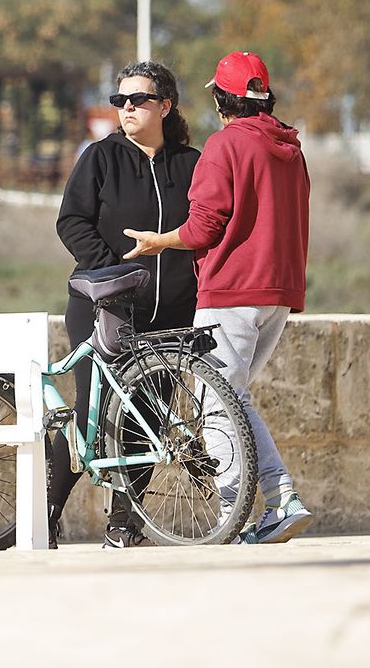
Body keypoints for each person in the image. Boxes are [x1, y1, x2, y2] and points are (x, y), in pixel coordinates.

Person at [124, 50, 313, 544]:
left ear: (221, 97)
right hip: (279, 292)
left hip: (232, 289)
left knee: (217, 402)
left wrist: (159, 241)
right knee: (232, 399)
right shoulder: (290, 148)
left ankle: (267, 500)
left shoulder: (225, 145)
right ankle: (266, 502)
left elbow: (205, 227)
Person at [52, 60, 200, 548]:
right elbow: (72, 222)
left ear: (165, 105)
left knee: (149, 417)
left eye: (138, 100)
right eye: (121, 101)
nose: (127, 108)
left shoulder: (191, 163)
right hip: (104, 305)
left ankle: (123, 522)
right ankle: (48, 511)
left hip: (170, 309)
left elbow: (207, 227)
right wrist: (114, 270)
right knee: (89, 412)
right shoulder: (101, 157)